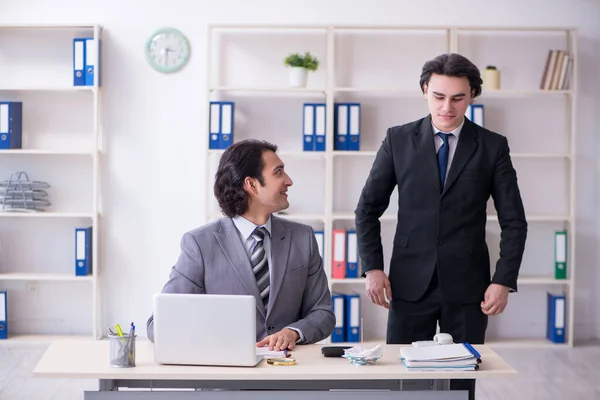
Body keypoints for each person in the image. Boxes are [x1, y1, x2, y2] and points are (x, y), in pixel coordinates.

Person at [355, 53, 527, 400]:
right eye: (438, 96)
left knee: (461, 381)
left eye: (457, 98)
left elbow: (514, 221)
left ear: (472, 96)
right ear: (424, 91)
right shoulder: (398, 140)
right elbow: (367, 209)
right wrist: (372, 267)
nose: (447, 107)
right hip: (408, 282)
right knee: (403, 379)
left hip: (469, 286)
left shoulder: (493, 146)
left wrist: (503, 280)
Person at [147, 139, 335, 350]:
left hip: (288, 374)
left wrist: (293, 332)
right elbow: (159, 325)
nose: (289, 180)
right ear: (252, 184)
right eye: (278, 172)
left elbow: (323, 313)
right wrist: (212, 335)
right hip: (226, 376)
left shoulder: (303, 238)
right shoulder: (200, 244)